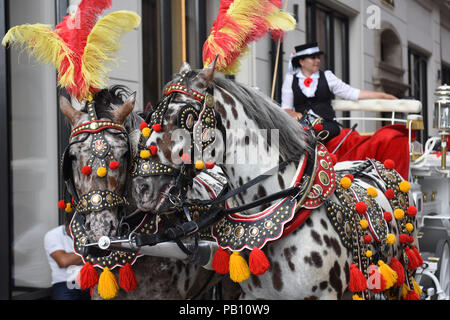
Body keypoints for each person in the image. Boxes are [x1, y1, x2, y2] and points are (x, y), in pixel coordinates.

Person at [281, 42, 397, 143]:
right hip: (303, 125)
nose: (317, 60)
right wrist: (293, 114)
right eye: (312, 57)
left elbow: (352, 93)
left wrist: (383, 95)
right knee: (293, 133)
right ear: (301, 61)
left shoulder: (327, 76)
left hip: (327, 124)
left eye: (318, 57)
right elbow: (286, 108)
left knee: (313, 133)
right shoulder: (290, 80)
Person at [44, 214, 90, 300]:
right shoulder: (53, 234)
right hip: (64, 282)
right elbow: (64, 261)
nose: (77, 232)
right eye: (74, 228)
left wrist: (74, 257)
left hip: (90, 280)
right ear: (66, 225)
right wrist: (92, 251)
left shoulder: (89, 231)